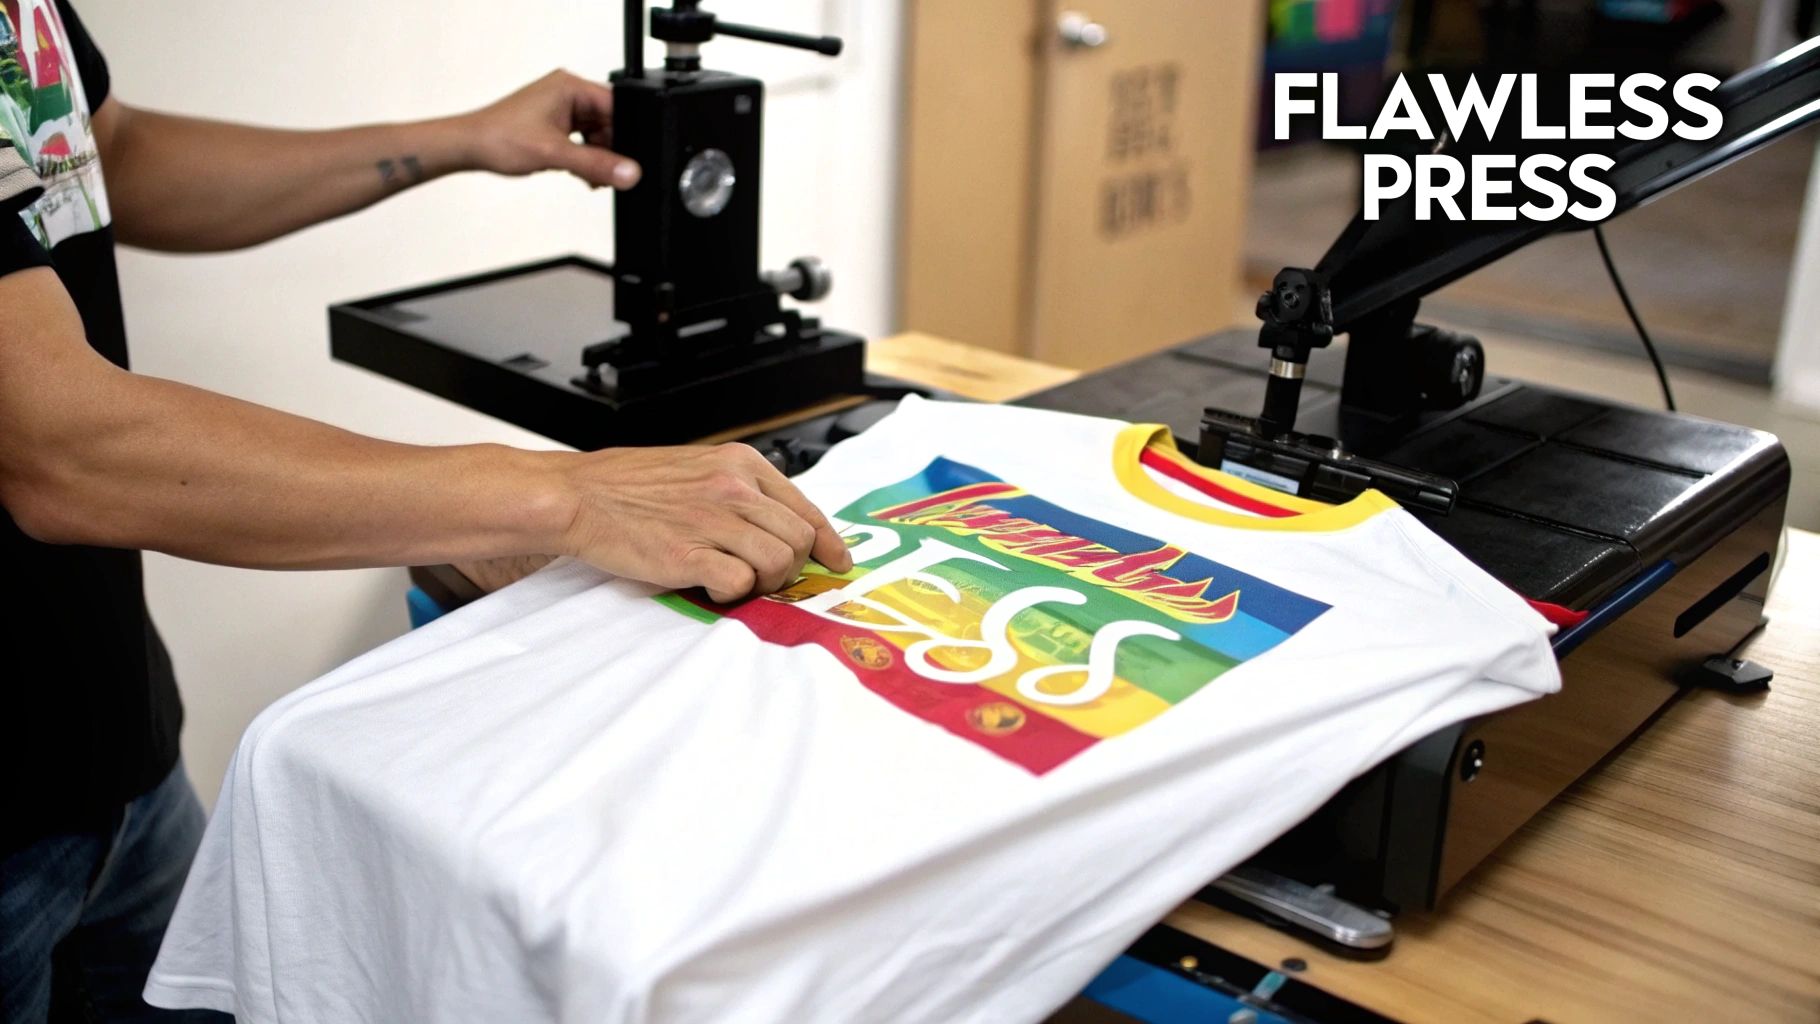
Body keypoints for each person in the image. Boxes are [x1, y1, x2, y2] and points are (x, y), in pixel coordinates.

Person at [0, 3, 852, 1019]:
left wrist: (462, 139)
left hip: (116, 742)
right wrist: (558, 496)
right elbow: (57, 441)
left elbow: (104, 157)